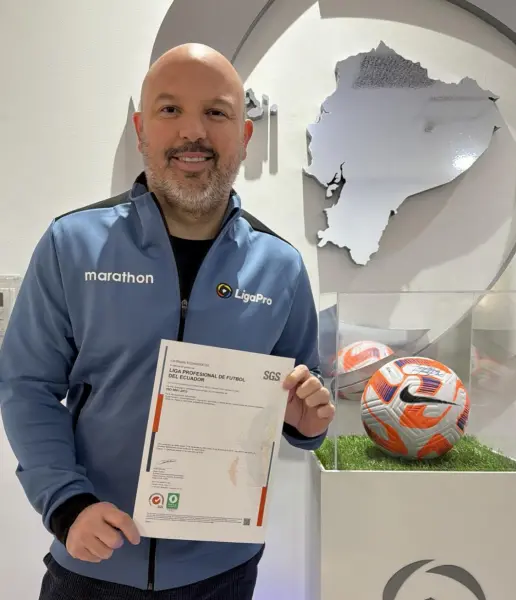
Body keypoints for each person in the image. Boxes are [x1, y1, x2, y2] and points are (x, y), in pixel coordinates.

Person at [0, 43, 335, 599]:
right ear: (141, 129)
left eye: (216, 112)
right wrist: (66, 503)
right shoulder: (71, 245)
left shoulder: (280, 267)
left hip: (222, 574)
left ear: (245, 135)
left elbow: (303, 395)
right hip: (93, 563)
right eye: (170, 109)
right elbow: (26, 386)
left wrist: (306, 420)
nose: (192, 132)